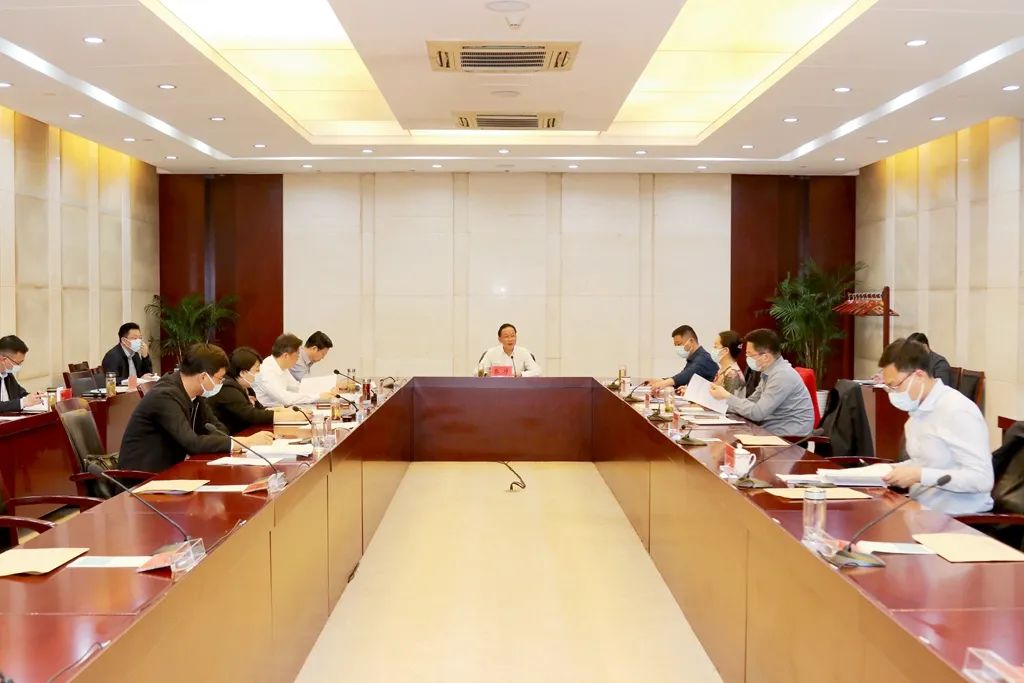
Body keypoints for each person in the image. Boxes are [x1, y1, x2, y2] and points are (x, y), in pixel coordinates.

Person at [876, 338, 993, 514]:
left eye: (895, 386)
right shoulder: (917, 412)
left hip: (958, 519)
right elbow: (924, 462)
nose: (892, 394)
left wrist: (919, 475)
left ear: (919, 376)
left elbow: (982, 479)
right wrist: (893, 470)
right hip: (919, 511)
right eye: (888, 388)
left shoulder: (957, 410)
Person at [118, 343, 274, 473]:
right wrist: (243, 442)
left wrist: (233, 442)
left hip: (174, 472)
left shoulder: (196, 395)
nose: (221, 384)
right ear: (203, 377)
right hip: (143, 478)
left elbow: (219, 429)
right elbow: (191, 443)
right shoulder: (165, 396)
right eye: (219, 379)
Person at [709, 328, 815, 436]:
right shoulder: (769, 372)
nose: (747, 358)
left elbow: (758, 413)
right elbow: (753, 401)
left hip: (788, 435)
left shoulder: (782, 375)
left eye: (750, 355)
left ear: (765, 357)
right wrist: (720, 405)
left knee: (728, 438)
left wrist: (727, 397)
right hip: (771, 428)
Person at [208, 346, 307, 434]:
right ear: (243, 373)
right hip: (233, 437)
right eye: (257, 370)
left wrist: (283, 411)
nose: (260, 374)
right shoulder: (227, 389)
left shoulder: (247, 386)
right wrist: (291, 417)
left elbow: (259, 409)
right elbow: (252, 415)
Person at [254, 333, 339, 407]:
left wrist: (326, 392)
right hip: (266, 412)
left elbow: (297, 387)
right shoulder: (267, 370)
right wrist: (318, 396)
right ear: (286, 356)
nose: (299, 357)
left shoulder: (283, 367)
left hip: (280, 409)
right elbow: (286, 398)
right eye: (297, 353)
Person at [648, 325, 717, 390]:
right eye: (675, 345)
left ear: (691, 341)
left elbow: (685, 376)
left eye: (679, 344)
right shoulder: (693, 358)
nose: (677, 348)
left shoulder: (703, 358)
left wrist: (663, 383)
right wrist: (660, 380)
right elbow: (681, 379)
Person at [478, 323, 542, 377]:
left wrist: (521, 374)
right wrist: (486, 374)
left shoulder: (523, 352)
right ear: (499, 339)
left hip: (517, 386)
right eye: (506, 336)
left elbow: (538, 372)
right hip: (496, 385)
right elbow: (477, 372)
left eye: (513, 336)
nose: (510, 339)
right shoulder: (491, 353)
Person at [0, 335, 45, 412]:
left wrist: (37, 397)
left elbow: (21, 393)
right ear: (4, 360)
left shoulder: (8, 374)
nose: (19, 366)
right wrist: (23, 402)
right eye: (18, 363)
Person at [710, 330, 745, 395]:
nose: (713, 348)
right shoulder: (723, 370)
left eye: (716, 346)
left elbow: (729, 400)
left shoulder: (733, 374)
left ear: (725, 350)